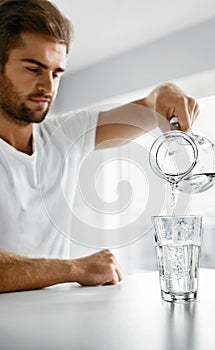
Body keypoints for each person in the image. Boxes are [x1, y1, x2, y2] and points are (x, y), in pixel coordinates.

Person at [0, 0, 199, 293]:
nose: (48, 86)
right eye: (33, 68)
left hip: (49, 324)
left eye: (56, 73)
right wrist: (75, 269)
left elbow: (152, 108)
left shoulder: (63, 136)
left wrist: (167, 91)